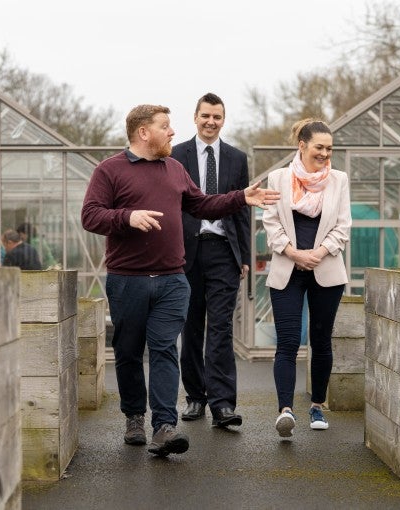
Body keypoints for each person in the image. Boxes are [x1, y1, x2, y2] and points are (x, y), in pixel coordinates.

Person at [81, 104, 279, 457]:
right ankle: (133, 417)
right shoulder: (110, 170)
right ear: (144, 132)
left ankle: (164, 427)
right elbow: (91, 215)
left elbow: (201, 205)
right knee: (127, 352)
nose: (172, 132)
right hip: (128, 280)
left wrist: (240, 199)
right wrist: (128, 217)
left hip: (173, 279)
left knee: (164, 350)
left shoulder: (175, 169)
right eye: (165, 126)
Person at [262, 119, 351, 438]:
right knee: (286, 342)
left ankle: (316, 406)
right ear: (302, 146)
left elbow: (343, 226)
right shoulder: (278, 178)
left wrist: (318, 252)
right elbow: (271, 224)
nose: (326, 153)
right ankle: (285, 410)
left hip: (326, 270)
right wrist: (295, 253)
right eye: (319, 147)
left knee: (321, 339)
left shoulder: (339, 180)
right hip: (288, 269)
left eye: (329, 148)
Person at [171, 93, 249, 428]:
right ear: (195, 117)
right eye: (205, 116)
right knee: (191, 327)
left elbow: (242, 208)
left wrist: (244, 255)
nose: (210, 122)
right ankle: (195, 398)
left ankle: (222, 404)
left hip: (223, 251)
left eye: (217, 117)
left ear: (223, 119)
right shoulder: (177, 156)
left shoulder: (236, 158)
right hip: (186, 251)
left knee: (220, 328)